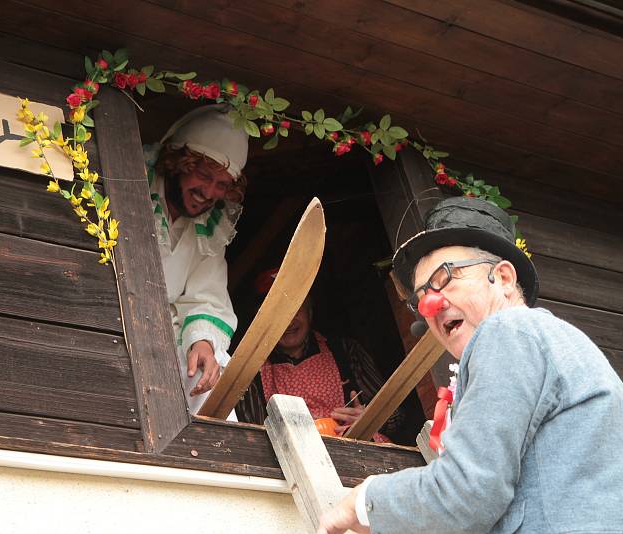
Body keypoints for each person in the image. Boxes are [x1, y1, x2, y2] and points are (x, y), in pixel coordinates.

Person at [317, 196, 623, 533]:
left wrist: (364, 501)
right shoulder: (556, 343)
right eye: (420, 300)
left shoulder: (508, 331)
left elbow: (467, 492)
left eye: (446, 276)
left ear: (504, 278)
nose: (431, 305)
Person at [143, 105, 248, 414]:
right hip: (109, 330)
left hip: (164, 341)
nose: (209, 192)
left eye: (222, 184)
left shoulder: (210, 229)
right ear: (178, 163)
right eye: (203, 175)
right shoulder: (134, 190)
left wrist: (201, 342)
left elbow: (207, 298)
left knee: (211, 367)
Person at [237, 268, 404, 442]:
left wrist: (371, 419)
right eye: (277, 313)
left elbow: (396, 415)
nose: (288, 321)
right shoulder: (251, 374)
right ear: (263, 321)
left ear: (310, 311)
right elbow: (252, 440)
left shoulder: (346, 350)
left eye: (295, 308)